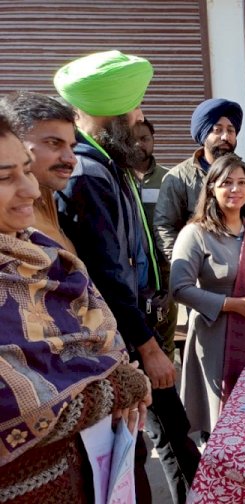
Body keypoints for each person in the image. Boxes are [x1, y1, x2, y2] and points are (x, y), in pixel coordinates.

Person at [53, 50, 200, 504]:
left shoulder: (110, 166)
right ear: (110, 119)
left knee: (166, 437)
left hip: (139, 326)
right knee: (163, 443)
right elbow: (109, 277)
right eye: (133, 110)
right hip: (126, 339)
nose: (140, 118)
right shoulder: (89, 175)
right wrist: (149, 348)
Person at [0, 112, 150, 503]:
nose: (30, 190)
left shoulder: (41, 255)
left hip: (85, 471)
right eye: (5, 177)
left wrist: (118, 376)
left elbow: (91, 340)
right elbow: (15, 403)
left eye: (27, 172)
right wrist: (120, 387)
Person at [171, 154, 245, 434]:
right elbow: (179, 288)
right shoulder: (195, 234)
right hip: (215, 336)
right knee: (222, 425)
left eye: (241, 182)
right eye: (226, 182)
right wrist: (232, 305)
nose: (235, 189)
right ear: (211, 188)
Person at [154, 98, 245, 261]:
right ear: (203, 134)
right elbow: (165, 228)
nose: (225, 137)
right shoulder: (178, 178)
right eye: (218, 130)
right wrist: (185, 266)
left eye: (231, 130)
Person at [0, 91, 77, 253]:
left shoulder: (45, 199)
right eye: (54, 143)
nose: (71, 159)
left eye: (72, 146)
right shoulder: (15, 217)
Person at [132, 118, 180, 362]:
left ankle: (165, 390)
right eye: (134, 138)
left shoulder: (169, 179)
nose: (139, 144)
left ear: (153, 141)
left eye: (145, 138)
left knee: (164, 332)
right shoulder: (119, 177)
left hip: (163, 269)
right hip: (131, 269)